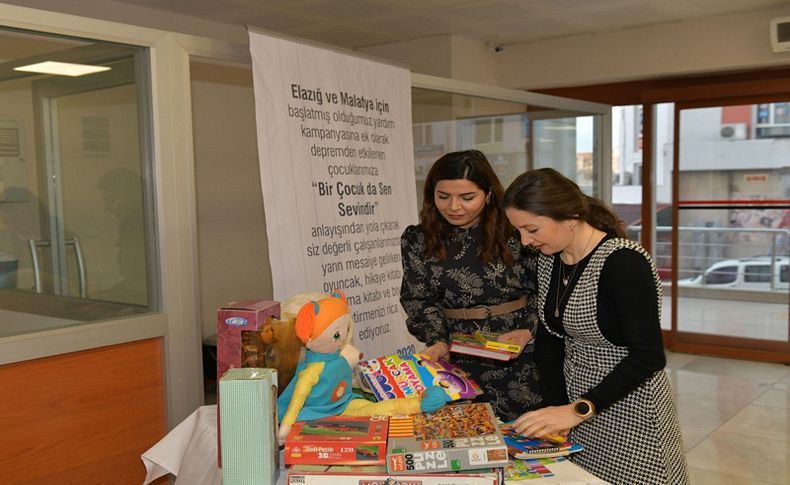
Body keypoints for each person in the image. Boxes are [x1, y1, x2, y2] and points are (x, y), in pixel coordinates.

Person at [503, 168, 689, 485]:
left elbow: (649, 356)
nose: (525, 241)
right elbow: (549, 343)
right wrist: (557, 409)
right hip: (577, 404)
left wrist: (578, 410)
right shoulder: (551, 259)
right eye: (519, 231)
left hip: (629, 406)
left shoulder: (624, 261)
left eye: (531, 229)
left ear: (571, 216)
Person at [400, 149, 542, 422]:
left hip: (519, 354)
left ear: (488, 194)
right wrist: (438, 341)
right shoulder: (417, 239)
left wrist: (528, 330)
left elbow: (545, 290)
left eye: (467, 198)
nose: (454, 207)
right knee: (462, 437)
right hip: (455, 359)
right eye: (443, 197)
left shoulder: (516, 231)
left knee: (526, 438)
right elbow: (418, 299)